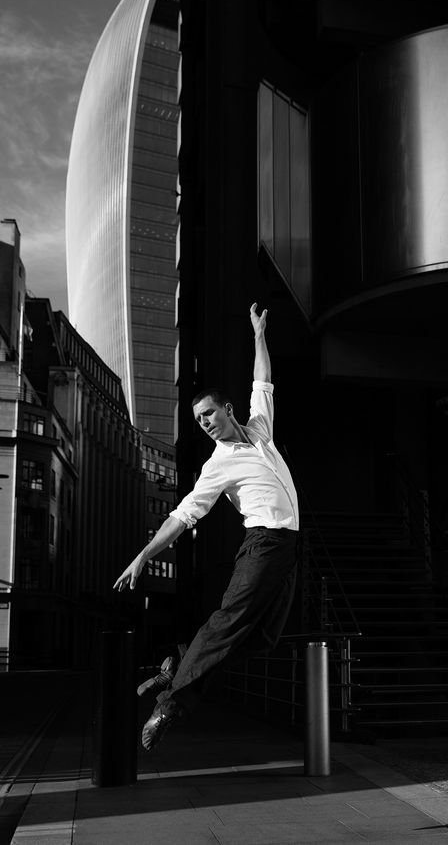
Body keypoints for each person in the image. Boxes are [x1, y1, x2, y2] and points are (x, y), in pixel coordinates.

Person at [113, 303, 299, 750]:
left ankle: (176, 666)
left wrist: (258, 334)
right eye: (198, 421)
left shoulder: (260, 429)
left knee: (265, 638)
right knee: (227, 621)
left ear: (227, 410)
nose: (205, 425)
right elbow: (183, 514)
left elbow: (263, 380)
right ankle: (169, 706)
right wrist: (145, 554)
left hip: (289, 548)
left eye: (209, 415)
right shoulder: (218, 465)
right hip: (263, 543)